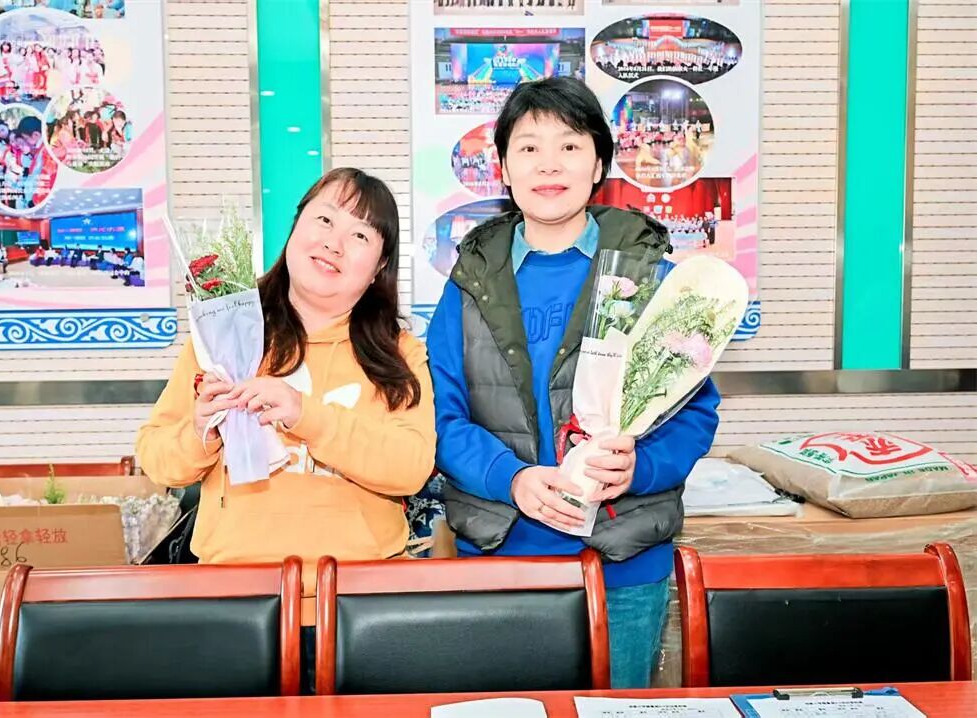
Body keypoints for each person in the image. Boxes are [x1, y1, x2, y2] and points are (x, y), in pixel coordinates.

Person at [426, 77, 720, 689]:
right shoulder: (468, 286)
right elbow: (442, 419)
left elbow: (695, 413)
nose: (549, 164)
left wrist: (639, 468)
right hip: (501, 555)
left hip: (622, 563)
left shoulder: (653, 279)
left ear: (599, 165)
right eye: (529, 148)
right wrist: (510, 478)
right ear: (504, 168)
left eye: (569, 145)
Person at [136, 167, 436, 690]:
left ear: (380, 266)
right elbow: (157, 457)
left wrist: (305, 414)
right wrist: (203, 430)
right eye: (325, 220)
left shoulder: (398, 352)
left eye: (361, 235)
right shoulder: (220, 337)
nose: (334, 243)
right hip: (235, 604)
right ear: (295, 228)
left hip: (359, 608)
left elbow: (410, 468)